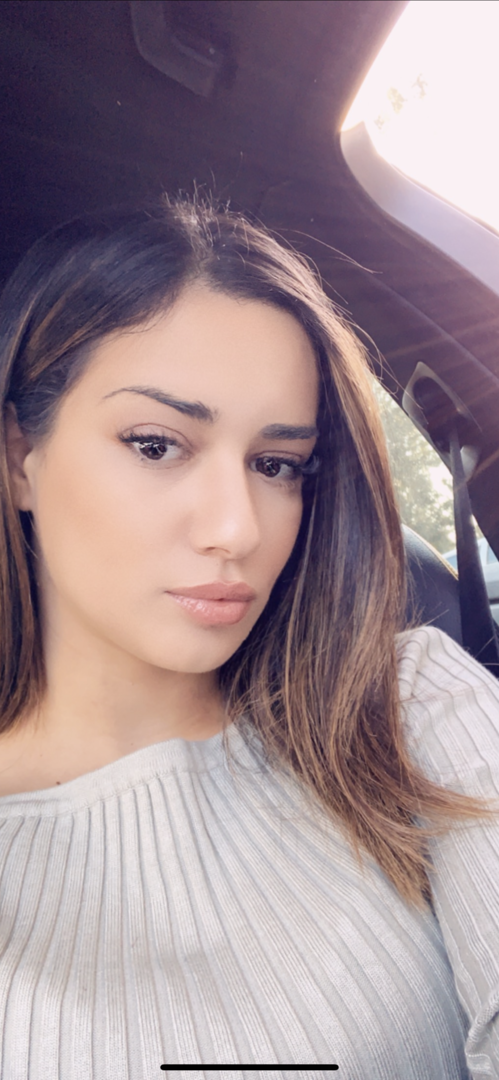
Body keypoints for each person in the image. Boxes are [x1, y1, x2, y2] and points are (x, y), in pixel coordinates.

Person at [0, 195, 497, 1080]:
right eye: (157, 445)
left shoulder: (410, 703)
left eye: (277, 465)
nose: (237, 528)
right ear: (17, 460)